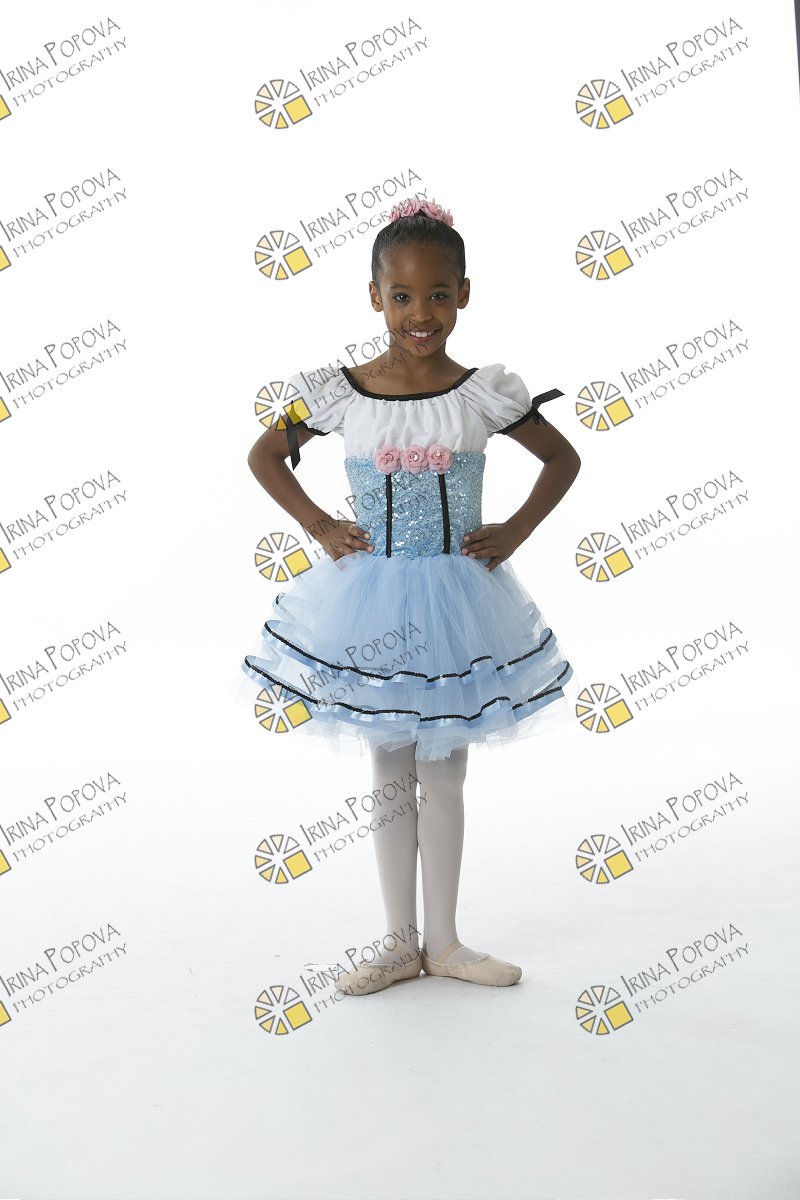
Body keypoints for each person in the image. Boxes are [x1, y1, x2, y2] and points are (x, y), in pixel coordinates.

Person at [241, 196, 582, 995]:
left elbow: (562, 460)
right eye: (401, 296)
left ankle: (447, 942)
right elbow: (263, 456)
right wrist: (320, 525)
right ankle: (398, 942)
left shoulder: (482, 394)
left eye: (436, 295)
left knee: (447, 772)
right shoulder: (342, 393)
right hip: (372, 601)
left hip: (459, 603)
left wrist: (516, 531)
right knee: (390, 773)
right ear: (375, 298)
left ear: (464, 294)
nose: (420, 314)